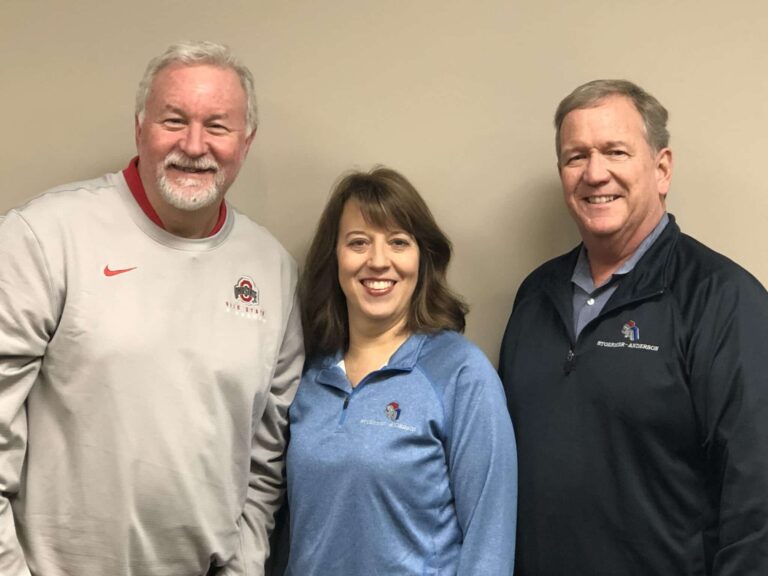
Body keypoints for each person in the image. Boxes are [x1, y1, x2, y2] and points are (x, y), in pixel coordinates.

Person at [0, 41, 303, 576]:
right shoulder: (44, 237)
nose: (194, 144)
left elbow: (265, 462)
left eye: (217, 126)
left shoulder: (272, 271)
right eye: (173, 120)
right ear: (139, 127)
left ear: (246, 141)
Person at [499, 79, 768, 575]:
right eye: (576, 156)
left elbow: (757, 506)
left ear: (662, 169)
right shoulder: (534, 297)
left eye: (615, 151)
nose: (594, 173)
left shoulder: (723, 299)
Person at [283, 168, 517, 575]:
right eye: (358, 242)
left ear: (421, 259)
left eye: (398, 242)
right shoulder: (306, 374)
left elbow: (490, 541)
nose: (378, 261)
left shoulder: (461, 374)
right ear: (334, 257)